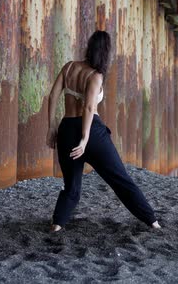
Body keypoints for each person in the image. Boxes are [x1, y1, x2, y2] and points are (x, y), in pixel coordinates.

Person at [46, 30, 161, 232]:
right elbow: (89, 108)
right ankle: (152, 221)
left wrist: (51, 126)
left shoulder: (69, 67)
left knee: (71, 186)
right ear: (106, 52)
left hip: (65, 130)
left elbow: (53, 97)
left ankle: (57, 225)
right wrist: (84, 139)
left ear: (89, 47)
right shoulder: (96, 75)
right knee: (120, 179)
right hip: (91, 133)